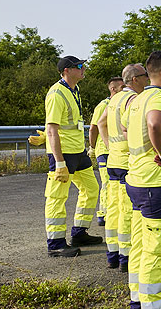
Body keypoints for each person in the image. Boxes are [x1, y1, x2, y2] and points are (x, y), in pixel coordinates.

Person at [125, 51, 161, 309]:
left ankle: (138, 298)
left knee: (140, 245)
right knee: (156, 251)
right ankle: (153, 304)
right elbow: (156, 124)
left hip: (138, 180)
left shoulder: (136, 100)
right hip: (157, 184)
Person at [43, 55, 103, 257]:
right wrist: (59, 162)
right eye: (79, 66)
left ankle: (79, 232)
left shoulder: (74, 90)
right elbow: (52, 129)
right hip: (64, 155)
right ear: (66, 70)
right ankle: (56, 243)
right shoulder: (56, 93)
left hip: (78, 151)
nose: (83, 68)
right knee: (57, 197)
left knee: (91, 188)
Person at [97, 64, 148, 271]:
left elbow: (101, 123)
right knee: (128, 211)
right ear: (135, 79)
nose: (147, 80)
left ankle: (113, 254)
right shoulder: (133, 100)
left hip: (114, 161)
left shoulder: (114, 99)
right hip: (128, 161)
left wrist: (110, 145)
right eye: (145, 76)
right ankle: (126, 257)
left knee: (114, 208)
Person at [90, 77, 124, 227]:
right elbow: (94, 128)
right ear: (113, 89)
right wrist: (92, 147)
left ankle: (112, 211)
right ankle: (103, 214)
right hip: (104, 150)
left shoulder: (121, 103)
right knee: (107, 183)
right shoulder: (103, 105)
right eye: (122, 87)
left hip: (115, 150)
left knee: (114, 184)